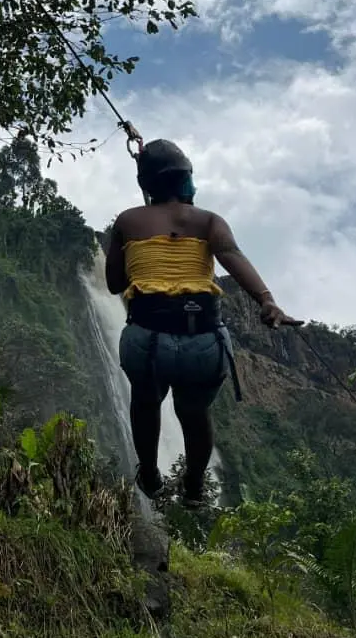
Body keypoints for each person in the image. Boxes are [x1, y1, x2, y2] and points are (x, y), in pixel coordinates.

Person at [105, 138, 302, 506]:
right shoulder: (209, 221)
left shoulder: (128, 220)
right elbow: (232, 256)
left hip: (147, 339)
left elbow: (115, 283)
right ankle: (194, 486)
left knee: (146, 404)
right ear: (186, 180)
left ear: (147, 186)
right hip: (203, 340)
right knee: (195, 414)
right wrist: (267, 301)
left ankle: (149, 472)